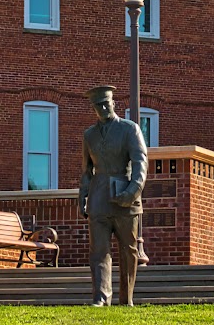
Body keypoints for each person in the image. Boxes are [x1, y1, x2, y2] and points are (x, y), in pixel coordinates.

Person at [78, 84, 147, 306]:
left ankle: (126, 299)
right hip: (98, 198)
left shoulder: (130, 129)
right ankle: (101, 298)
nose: (103, 108)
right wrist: (83, 195)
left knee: (128, 250)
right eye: (98, 106)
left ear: (114, 103)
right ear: (93, 108)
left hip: (125, 196)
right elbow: (87, 170)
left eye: (106, 104)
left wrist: (133, 190)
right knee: (99, 250)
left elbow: (140, 163)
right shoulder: (89, 135)